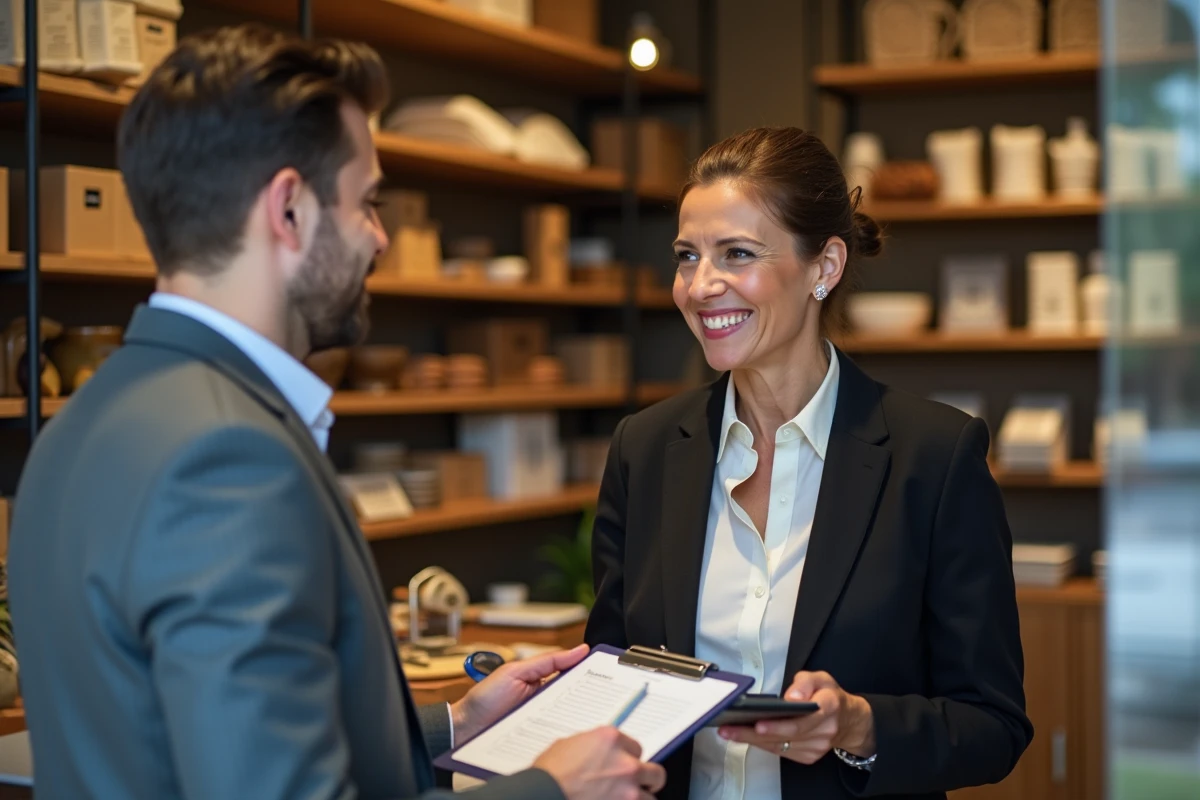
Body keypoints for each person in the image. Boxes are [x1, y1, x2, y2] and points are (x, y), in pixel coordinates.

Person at [8, 25, 666, 800]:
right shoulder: (226, 458)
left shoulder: (81, 422)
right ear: (288, 209)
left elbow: (197, 738)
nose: (380, 239)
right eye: (368, 202)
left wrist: (456, 723)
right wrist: (551, 790)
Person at [584, 127, 1033, 800]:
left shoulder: (935, 459)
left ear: (825, 267)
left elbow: (993, 725)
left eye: (737, 253)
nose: (701, 286)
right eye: (686, 256)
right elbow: (615, 679)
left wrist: (860, 725)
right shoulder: (644, 451)